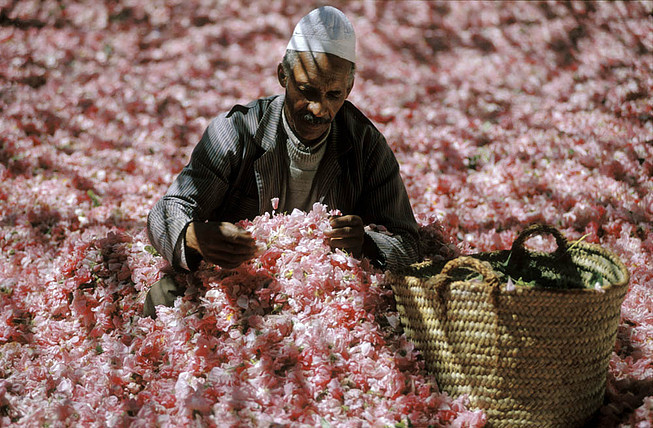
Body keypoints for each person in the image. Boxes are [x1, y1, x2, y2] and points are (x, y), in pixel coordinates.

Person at [144, 6, 419, 317]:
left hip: (325, 304)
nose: (319, 109)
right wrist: (194, 236)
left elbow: (408, 243)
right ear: (282, 75)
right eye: (307, 91)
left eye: (333, 95)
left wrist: (366, 244)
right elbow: (166, 211)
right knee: (165, 297)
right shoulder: (237, 131)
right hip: (237, 288)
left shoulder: (365, 145)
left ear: (349, 89)